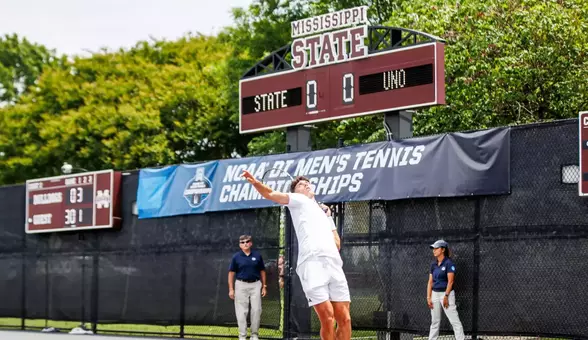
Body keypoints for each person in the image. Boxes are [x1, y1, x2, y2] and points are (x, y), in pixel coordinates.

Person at [242, 170, 352, 340]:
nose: (306, 184)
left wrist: (329, 217)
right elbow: (270, 193)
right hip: (311, 264)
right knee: (328, 317)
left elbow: (337, 244)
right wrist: (256, 183)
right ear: (295, 192)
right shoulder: (299, 201)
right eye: (301, 184)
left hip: (334, 265)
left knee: (345, 319)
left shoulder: (323, 214)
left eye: (308, 183)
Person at [228, 235, 267, 340]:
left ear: (251, 243)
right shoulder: (236, 257)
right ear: (240, 245)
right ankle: (242, 336)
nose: (245, 243)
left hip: (255, 285)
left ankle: (254, 335)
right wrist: (231, 289)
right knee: (241, 311)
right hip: (241, 285)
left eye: (247, 241)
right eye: (242, 242)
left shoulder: (257, 256)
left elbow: (262, 271)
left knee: (257, 310)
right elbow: (231, 273)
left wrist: (264, 286)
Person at [426, 240, 465, 340]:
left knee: (454, 320)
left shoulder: (449, 263)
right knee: (435, 321)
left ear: (443, 250)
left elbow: (450, 281)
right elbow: (430, 282)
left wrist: (446, 296)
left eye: (436, 248)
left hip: (447, 294)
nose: (434, 251)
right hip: (434, 294)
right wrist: (428, 297)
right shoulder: (433, 265)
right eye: (433, 249)